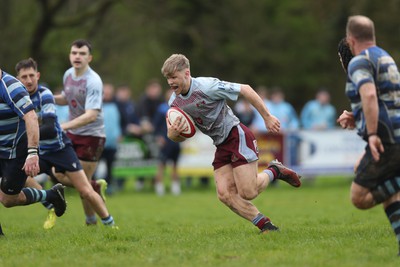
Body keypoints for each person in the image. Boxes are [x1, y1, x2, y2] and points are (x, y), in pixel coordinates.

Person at [161, 54, 301, 233]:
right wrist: (172, 135)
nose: (170, 83)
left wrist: (266, 117)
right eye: (167, 78)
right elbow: (181, 134)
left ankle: (275, 170)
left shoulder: (207, 86)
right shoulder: (174, 102)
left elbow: (246, 89)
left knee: (248, 192)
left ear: (186, 73)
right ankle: (266, 226)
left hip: (236, 135)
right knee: (225, 194)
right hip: (220, 143)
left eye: (173, 77)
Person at [16, 58, 116, 229]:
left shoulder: (45, 94)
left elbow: (49, 129)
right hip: (40, 151)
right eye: (24, 77)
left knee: (84, 191)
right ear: (18, 80)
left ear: (37, 75)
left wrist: (25, 136)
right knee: (19, 173)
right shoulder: (16, 98)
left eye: (31, 75)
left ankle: (110, 224)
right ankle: (51, 204)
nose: (29, 80)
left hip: (60, 149)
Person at [337, 15, 400, 256]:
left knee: (360, 196)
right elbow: (388, 98)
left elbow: (371, 95)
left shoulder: (358, 62)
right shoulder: (385, 57)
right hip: (395, 133)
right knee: (389, 191)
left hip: (387, 138)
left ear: (351, 40)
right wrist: (357, 116)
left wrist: (372, 133)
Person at [0, 68, 67, 227]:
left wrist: (32, 153)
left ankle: (50, 195)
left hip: (17, 150)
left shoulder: (10, 87)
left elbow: (31, 117)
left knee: (8, 200)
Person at [54, 39, 109, 226]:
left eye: (82, 54)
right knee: (58, 173)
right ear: (70, 55)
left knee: (82, 185)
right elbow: (66, 98)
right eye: (74, 53)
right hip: (73, 132)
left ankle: (91, 221)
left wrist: (64, 126)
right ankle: (94, 186)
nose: (77, 56)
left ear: (89, 58)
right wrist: (45, 97)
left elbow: (91, 115)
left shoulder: (93, 81)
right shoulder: (68, 74)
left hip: (92, 136)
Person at [153, 88, 182, 196]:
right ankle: (159, 187)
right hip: (165, 141)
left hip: (176, 141)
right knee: (161, 165)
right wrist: (159, 137)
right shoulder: (161, 109)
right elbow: (156, 126)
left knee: (175, 165)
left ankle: (175, 187)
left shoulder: (179, 109)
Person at [97, 83, 122, 195]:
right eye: (105, 92)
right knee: (94, 166)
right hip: (99, 142)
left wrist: (119, 134)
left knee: (110, 166)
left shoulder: (117, 105)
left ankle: (109, 187)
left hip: (112, 142)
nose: (107, 95)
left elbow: (119, 122)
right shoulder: (96, 105)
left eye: (109, 93)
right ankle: (93, 186)